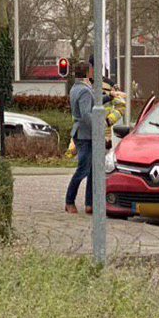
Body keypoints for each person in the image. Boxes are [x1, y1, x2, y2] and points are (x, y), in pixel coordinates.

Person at [65, 61, 95, 215]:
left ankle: (90, 203)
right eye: (91, 70)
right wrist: (98, 127)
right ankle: (69, 201)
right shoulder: (84, 91)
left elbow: (92, 102)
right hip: (85, 135)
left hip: (81, 133)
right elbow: (86, 114)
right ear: (87, 72)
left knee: (92, 169)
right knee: (83, 169)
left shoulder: (76, 88)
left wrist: (108, 97)